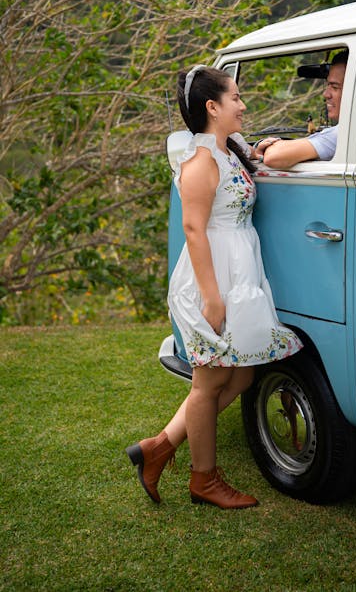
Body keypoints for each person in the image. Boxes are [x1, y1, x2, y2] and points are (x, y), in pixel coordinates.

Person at [126, 65, 303, 510]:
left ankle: (160, 447)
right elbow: (193, 228)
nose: (243, 106)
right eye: (236, 98)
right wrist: (211, 297)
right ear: (212, 107)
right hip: (212, 280)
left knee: (241, 373)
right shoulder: (201, 162)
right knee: (208, 383)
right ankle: (203, 479)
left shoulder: (229, 150)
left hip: (239, 271)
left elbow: (261, 159)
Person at [262, 50, 348, 169]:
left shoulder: (343, 134)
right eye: (327, 85)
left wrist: (265, 145)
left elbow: (273, 157)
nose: (325, 94)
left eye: (334, 87)